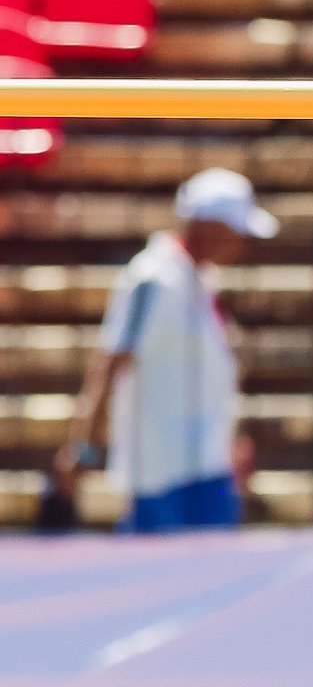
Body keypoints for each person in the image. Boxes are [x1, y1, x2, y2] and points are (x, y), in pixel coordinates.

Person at [53, 169, 276, 534]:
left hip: (212, 468)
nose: (242, 243)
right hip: (160, 474)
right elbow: (110, 363)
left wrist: (232, 441)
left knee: (217, 564)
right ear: (208, 227)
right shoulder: (151, 279)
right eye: (236, 232)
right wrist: (82, 449)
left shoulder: (203, 280)